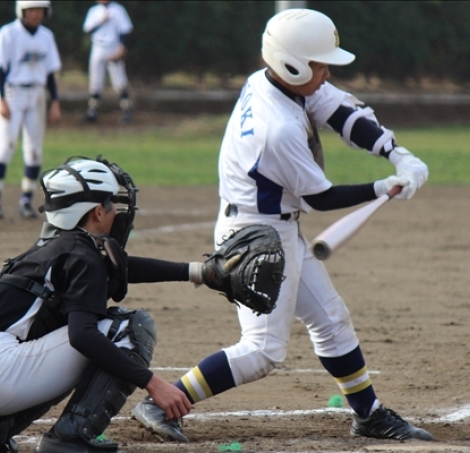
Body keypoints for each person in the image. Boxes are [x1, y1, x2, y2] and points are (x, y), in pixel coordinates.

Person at [132, 8, 433, 443]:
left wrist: (396, 153)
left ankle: (369, 415)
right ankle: (163, 402)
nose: (327, 72)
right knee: (262, 351)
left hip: (276, 228)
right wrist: (382, 187)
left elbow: (342, 113)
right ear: (293, 65)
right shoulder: (277, 129)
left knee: (331, 319)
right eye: (320, 64)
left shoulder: (272, 80)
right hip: (255, 238)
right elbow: (319, 199)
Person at [0, 156, 228, 453]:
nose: (117, 210)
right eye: (111, 202)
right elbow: (82, 335)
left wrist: (198, 272)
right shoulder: (81, 256)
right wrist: (153, 384)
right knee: (126, 329)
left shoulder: (57, 247)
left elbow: (119, 267)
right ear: (98, 212)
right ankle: (70, 438)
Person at [0, 1, 61, 220]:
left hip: (36, 93)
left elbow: (50, 72)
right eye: (31, 10)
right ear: (22, 11)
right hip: (12, 92)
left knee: (34, 150)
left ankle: (26, 200)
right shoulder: (8, 33)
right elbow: (0, 68)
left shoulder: (46, 36)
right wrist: (2, 100)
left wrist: (55, 101)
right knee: (6, 145)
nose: (36, 14)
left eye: (39, 10)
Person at [82, 0, 133, 124]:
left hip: (113, 46)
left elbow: (125, 29)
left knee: (119, 80)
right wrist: (101, 21)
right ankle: (93, 110)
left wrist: (122, 46)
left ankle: (126, 109)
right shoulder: (94, 11)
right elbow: (87, 29)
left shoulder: (118, 9)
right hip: (97, 47)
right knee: (95, 81)